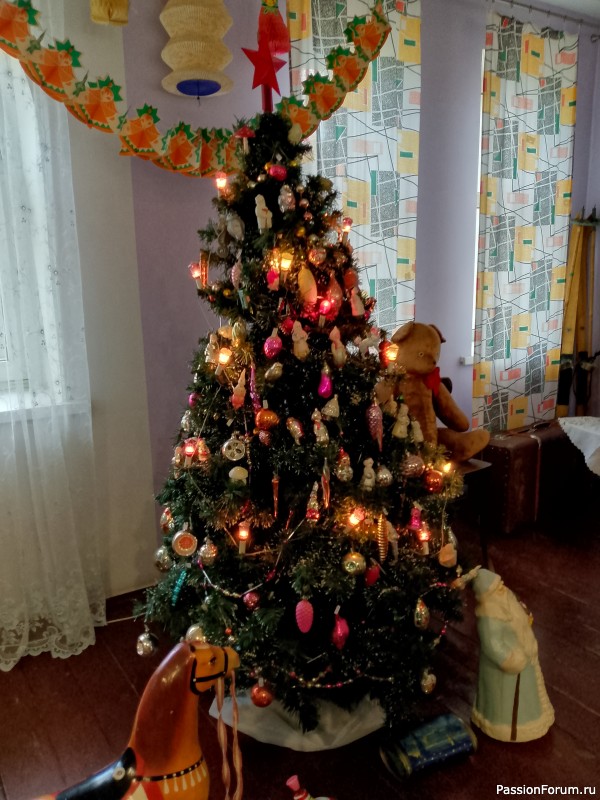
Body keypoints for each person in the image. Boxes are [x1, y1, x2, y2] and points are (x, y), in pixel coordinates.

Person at [471, 569, 554, 742]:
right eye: (497, 587)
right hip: (509, 669)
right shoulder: (489, 616)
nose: (503, 588)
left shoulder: (506, 602)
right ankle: (512, 728)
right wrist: (511, 660)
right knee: (510, 701)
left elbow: (518, 620)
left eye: (500, 584)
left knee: (528, 696)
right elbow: (492, 645)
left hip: (523, 659)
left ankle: (532, 719)